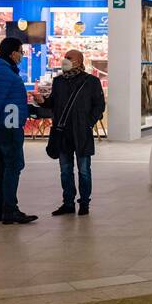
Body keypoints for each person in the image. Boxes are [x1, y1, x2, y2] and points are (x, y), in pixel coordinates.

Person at [37, 49, 107, 216]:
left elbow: (99, 106)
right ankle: (68, 203)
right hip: (62, 133)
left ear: (79, 61)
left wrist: (88, 123)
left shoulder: (91, 82)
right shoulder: (59, 81)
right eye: (65, 57)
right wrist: (43, 101)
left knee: (84, 170)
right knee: (65, 169)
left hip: (81, 133)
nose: (65, 60)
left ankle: (84, 203)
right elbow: (53, 103)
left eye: (69, 58)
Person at [0, 37, 38, 225]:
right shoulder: (4, 73)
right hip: (9, 125)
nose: (22, 55)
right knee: (13, 166)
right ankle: (10, 209)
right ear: (13, 53)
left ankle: (2, 209)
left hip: (4, 125)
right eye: (20, 51)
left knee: (0, 166)